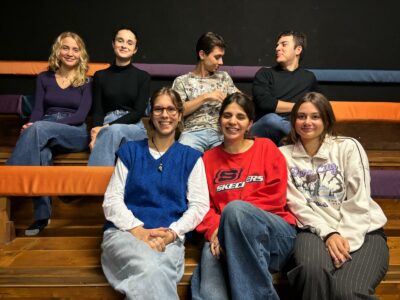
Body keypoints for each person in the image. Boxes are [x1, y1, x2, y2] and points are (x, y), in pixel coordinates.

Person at [101, 87, 209, 299]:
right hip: (124, 234)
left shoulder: (192, 157)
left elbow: (199, 206)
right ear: (151, 114)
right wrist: (138, 231)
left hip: (168, 237)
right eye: (158, 109)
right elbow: (112, 201)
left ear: (179, 115)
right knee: (153, 268)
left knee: (153, 270)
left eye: (170, 109)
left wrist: (172, 233)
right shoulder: (130, 151)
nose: (165, 115)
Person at [279, 92, 389, 299]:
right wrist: (329, 234)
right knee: (312, 271)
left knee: (347, 291)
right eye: (301, 116)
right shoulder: (283, 154)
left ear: (327, 120)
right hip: (313, 231)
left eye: (315, 116)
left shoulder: (347, 146)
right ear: (293, 121)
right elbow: (295, 203)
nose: (307, 122)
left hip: (364, 231)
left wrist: (343, 242)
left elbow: (359, 201)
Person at [191, 92, 297, 299]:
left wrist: (229, 225)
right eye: (227, 115)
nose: (233, 121)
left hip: (276, 235)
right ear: (219, 120)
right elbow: (203, 206)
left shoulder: (267, 148)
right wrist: (216, 230)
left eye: (240, 117)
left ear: (250, 124)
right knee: (210, 292)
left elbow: (275, 197)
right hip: (221, 237)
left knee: (235, 209)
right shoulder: (207, 159)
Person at [6, 32, 92, 235]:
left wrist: (41, 126)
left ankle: (7, 178)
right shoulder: (44, 78)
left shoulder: (87, 82)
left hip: (74, 131)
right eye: (65, 47)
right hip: (45, 126)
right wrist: (32, 124)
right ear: (58, 50)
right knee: (42, 153)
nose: (70, 53)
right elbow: (37, 110)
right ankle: (41, 217)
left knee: (38, 129)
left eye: (75, 49)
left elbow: (80, 116)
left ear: (81, 54)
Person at [88, 27, 150, 166]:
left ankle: (94, 186)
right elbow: (98, 111)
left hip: (133, 127)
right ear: (113, 44)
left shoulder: (143, 77)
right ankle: (99, 186)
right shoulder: (100, 76)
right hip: (106, 125)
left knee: (113, 131)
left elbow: (138, 112)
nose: (124, 45)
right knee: (112, 135)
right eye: (120, 41)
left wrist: (106, 128)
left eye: (129, 42)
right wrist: (95, 135)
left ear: (135, 49)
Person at [172, 32, 239, 152]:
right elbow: (177, 111)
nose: (221, 62)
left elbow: (241, 101)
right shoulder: (182, 81)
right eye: (217, 57)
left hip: (221, 133)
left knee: (229, 159)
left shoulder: (224, 77)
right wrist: (205, 97)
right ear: (202, 54)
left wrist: (233, 101)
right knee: (182, 156)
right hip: (192, 133)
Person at [252, 30, 318, 145]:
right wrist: (300, 107)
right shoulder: (265, 74)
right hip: (264, 129)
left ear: (298, 50)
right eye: (277, 45)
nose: (277, 48)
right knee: (271, 120)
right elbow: (265, 103)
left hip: (293, 128)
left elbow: (318, 105)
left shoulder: (309, 78)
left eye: (284, 44)